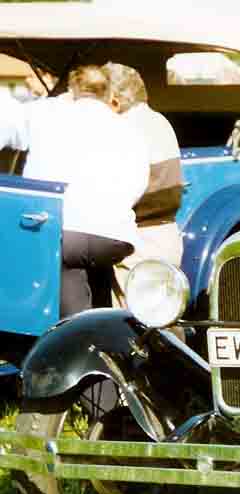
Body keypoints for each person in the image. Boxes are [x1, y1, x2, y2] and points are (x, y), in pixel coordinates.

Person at [0, 65, 149, 317]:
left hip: (66, 232)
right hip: (115, 236)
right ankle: (104, 333)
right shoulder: (128, 127)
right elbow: (139, 183)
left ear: (72, 90)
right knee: (95, 272)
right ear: (107, 92)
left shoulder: (48, 112)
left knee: (64, 270)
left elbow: (8, 125)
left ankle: (73, 335)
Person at [102, 62, 184, 304]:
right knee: (163, 316)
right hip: (167, 234)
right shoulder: (159, 120)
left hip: (139, 239)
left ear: (114, 101)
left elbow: (117, 191)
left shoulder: (124, 129)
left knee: (132, 323)